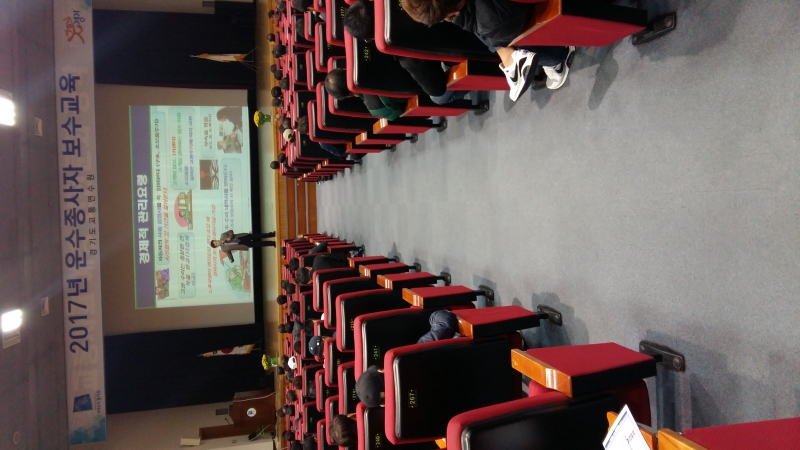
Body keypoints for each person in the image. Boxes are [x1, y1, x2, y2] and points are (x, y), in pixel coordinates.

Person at [400, 0, 574, 101]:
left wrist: (457, 18)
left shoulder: (493, 26)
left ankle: (557, 58)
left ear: (455, 10)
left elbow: (435, 88)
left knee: (438, 98)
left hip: (518, 17)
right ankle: (510, 59)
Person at [343, 0, 468, 105]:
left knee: (438, 98)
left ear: (371, 38)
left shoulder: (400, 48)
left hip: (466, 35)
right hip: (462, 7)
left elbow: (436, 88)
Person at [325, 69, 407, 120]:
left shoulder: (374, 107)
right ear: (345, 69)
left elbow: (396, 113)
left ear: (350, 95)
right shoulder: (366, 58)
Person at [210, 230, 276, 262]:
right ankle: (272, 243)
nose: (217, 243)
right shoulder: (223, 249)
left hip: (242, 237)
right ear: (217, 246)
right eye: (216, 244)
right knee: (257, 244)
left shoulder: (223, 235)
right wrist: (230, 259)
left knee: (257, 236)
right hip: (242, 245)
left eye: (215, 242)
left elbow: (231, 231)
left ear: (216, 240)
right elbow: (229, 253)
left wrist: (230, 237)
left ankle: (271, 234)